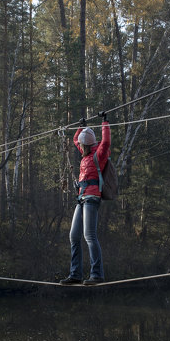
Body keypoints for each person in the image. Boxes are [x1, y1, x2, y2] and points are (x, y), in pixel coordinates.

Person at [61, 112, 110, 285]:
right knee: (74, 236)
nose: (79, 145)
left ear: (87, 144)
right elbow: (76, 139)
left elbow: (106, 142)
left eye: (82, 143)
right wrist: (81, 126)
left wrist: (105, 122)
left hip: (92, 197)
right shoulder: (85, 152)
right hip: (81, 198)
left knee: (89, 235)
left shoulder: (99, 154)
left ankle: (96, 274)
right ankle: (75, 274)